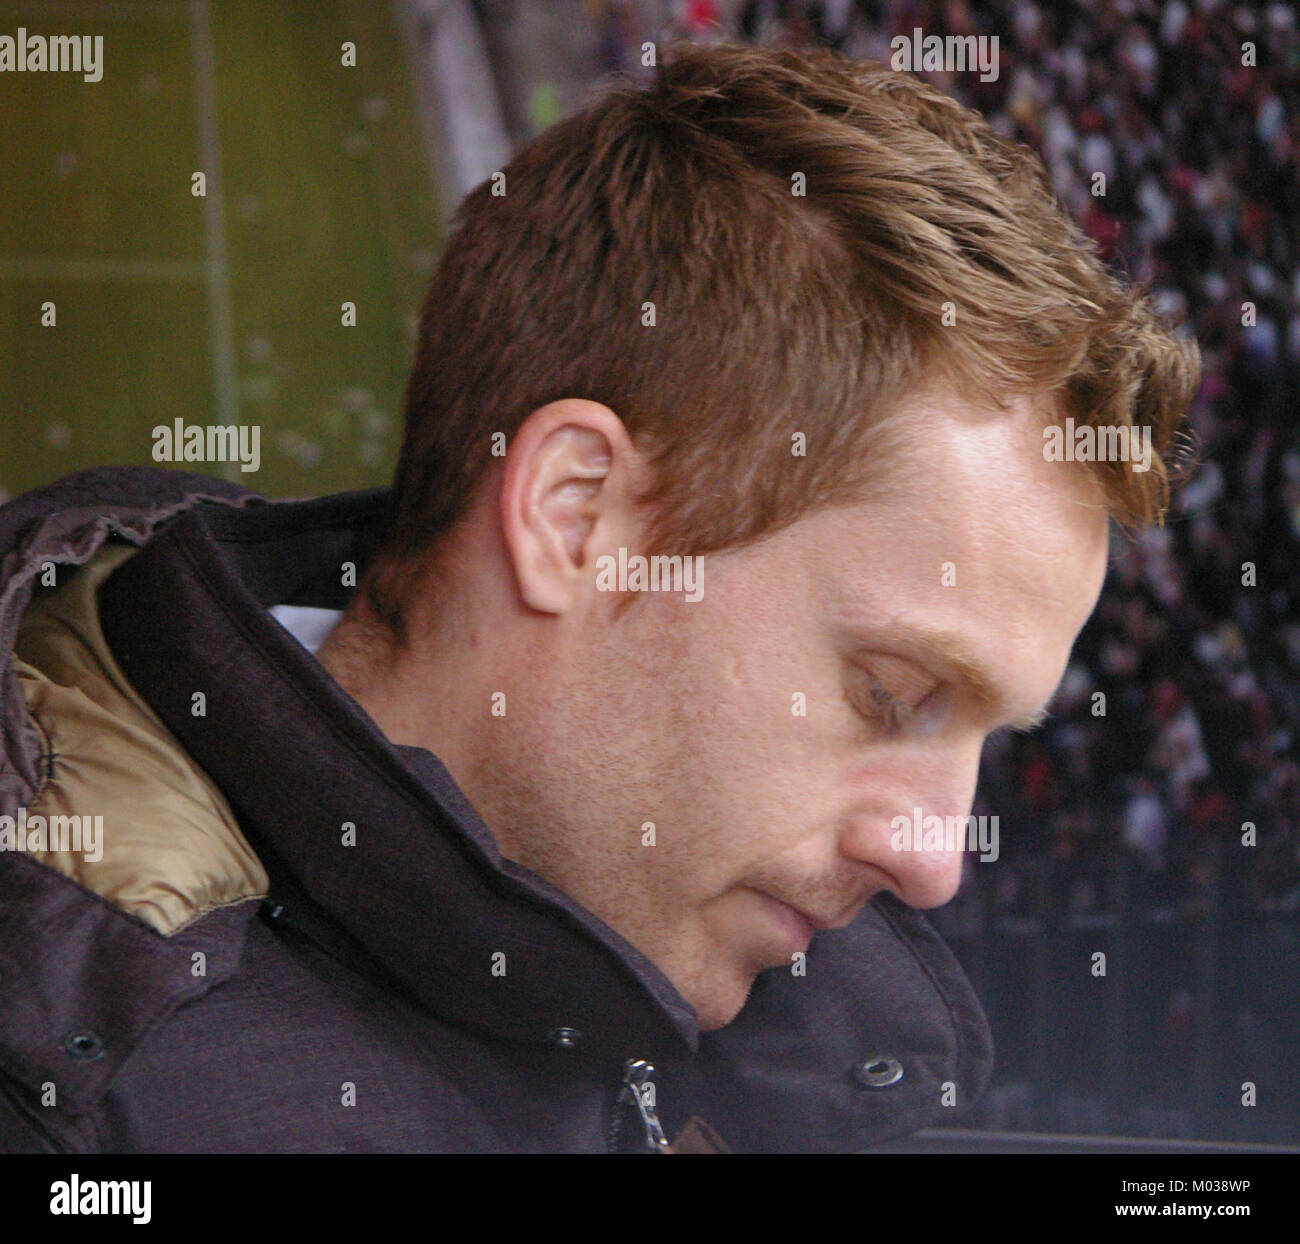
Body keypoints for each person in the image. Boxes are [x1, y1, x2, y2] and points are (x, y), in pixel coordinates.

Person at [0, 40, 1198, 1153]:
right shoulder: (104, 1105)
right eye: (888, 692)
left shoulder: (750, 985)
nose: (937, 858)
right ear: (574, 517)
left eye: (988, 736)